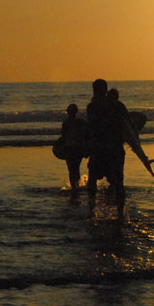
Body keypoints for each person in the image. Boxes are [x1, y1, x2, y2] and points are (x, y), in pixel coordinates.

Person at [86, 79, 128, 216]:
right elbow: (129, 125)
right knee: (118, 181)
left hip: (99, 150)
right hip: (115, 149)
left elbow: (91, 128)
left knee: (93, 179)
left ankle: (91, 208)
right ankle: (120, 212)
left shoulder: (92, 107)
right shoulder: (118, 105)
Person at [61, 103, 88, 196]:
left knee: (71, 169)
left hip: (69, 148)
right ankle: (76, 187)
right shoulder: (80, 122)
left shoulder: (65, 123)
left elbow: (63, 137)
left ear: (68, 112)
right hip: (78, 148)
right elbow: (85, 133)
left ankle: (74, 187)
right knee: (76, 167)